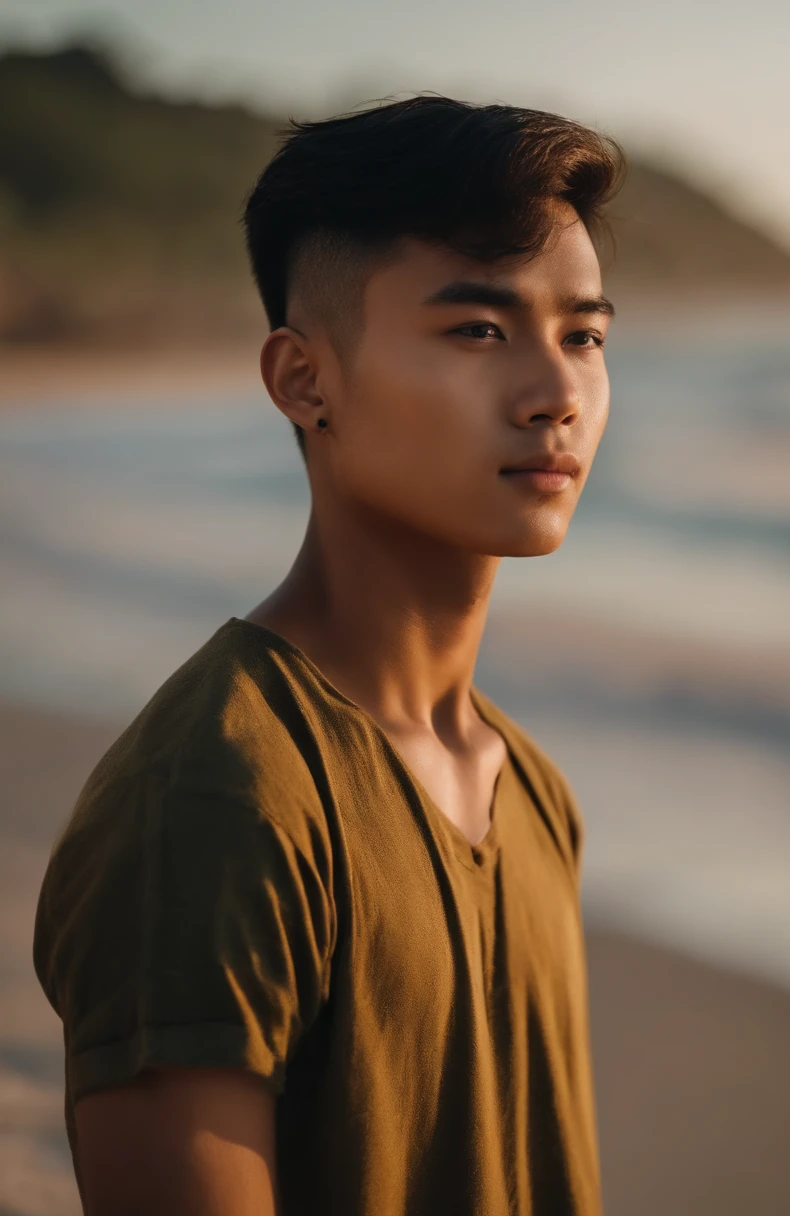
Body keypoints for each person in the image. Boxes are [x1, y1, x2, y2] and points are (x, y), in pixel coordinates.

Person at [33, 95, 624, 1215]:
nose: (556, 397)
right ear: (305, 380)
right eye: (479, 332)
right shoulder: (214, 801)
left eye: (583, 336)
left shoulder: (534, 793)